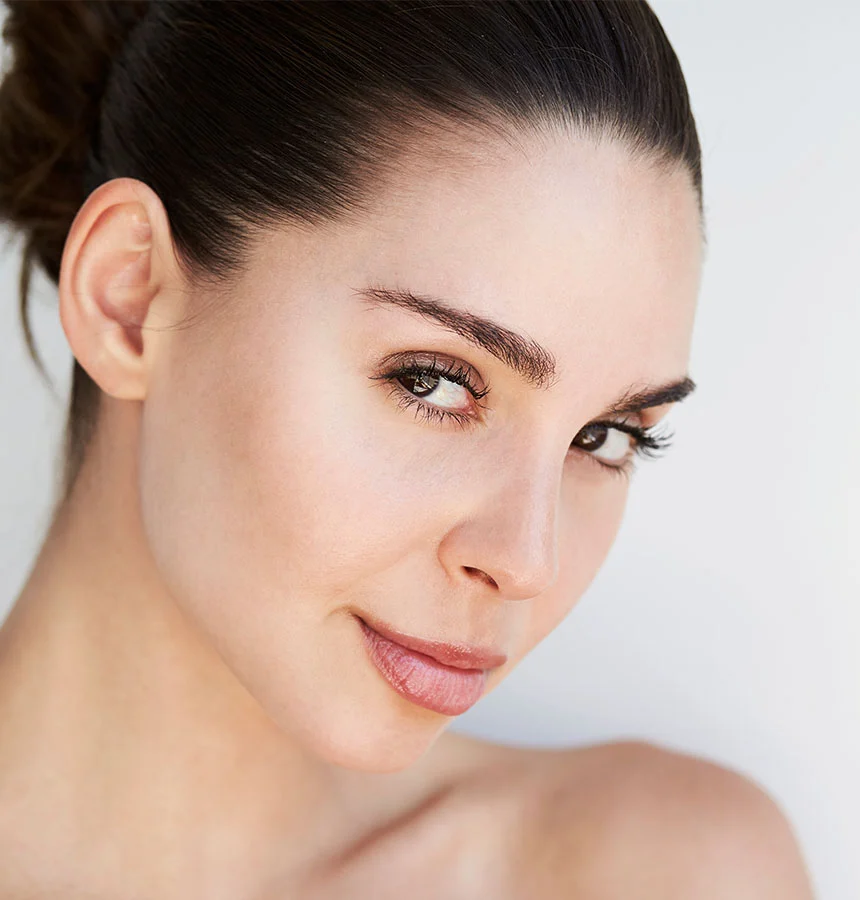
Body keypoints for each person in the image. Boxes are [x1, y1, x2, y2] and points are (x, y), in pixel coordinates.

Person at [0, 1, 814, 897]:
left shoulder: (667, 874)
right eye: (434, 381)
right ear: (128, 296)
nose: (525, 562)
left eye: (603, 437)